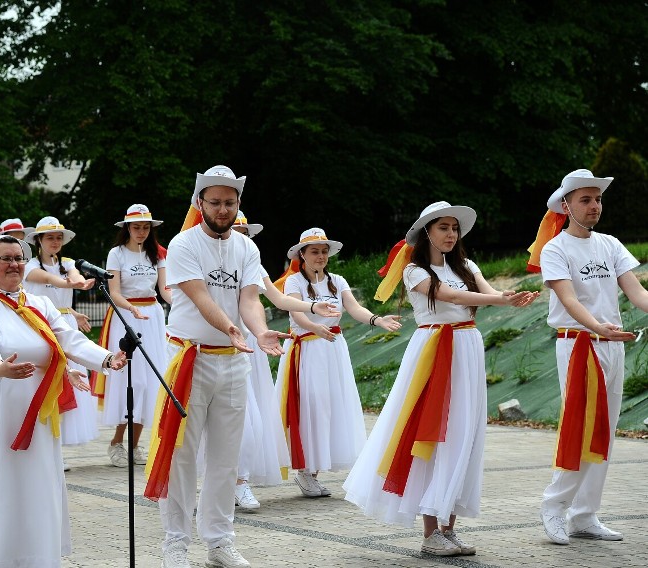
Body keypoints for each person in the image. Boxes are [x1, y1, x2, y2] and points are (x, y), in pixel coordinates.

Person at [343, 201, 538, 556]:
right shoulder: (415, 271)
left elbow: (488, 291)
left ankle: (448, 529)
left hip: (467, 346)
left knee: (464, 435)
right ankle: (430, 532)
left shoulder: (466, 266)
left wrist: (512, 297)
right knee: (433, 432)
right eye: (443, 227)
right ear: (427, 232)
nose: (450, 234)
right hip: (434, 350)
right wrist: (501, 302)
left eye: (454, 228)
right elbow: (449, 296)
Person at [0, 235, 125, 567]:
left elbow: (68, 338)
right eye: (5, 258)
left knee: (35, 482)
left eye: (19, 257)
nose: (14, 264)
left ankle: (35, 554)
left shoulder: (38, 303)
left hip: (37, 406)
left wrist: (107, 358)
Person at [145, 165, 287, 568]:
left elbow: (249, 301)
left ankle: (220, 541)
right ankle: (175, 542)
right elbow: (200, 296)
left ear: (237, 204)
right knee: (181, 454)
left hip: (233, 360)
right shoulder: (183, 244)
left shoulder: (247, 248)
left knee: (227, 457)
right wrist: (230, 328)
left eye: (230, 202)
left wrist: (258, 332)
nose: (223, 210)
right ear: (200, 203)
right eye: (215, 202)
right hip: (189, 357)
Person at [530, 169, 648, 545]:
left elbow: (638, 294)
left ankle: (584, 515)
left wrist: (606, 331)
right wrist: (598, 327)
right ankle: (554, 506)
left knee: (605, 431)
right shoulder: (555, 248)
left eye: (597, 199)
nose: (594, 205)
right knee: (581, 427)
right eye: (585, 199)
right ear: (566, 206)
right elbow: (568, 299)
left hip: (612, 344)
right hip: (579, 344)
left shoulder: (610, 244)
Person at [274, 228, 401, 499]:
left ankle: (314, 471)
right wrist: (314, 328)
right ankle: (305, 469)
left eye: (323, 251)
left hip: (333, 349)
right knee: (312, 405)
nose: (320, 256)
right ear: (302, 255)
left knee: (332, 404)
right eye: (314, 252)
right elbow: (296, 313)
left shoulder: (338, 281)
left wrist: (377, 320)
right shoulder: (293, 282)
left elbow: (354, 309)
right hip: (307, 349)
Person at [226, 211, 340, 511]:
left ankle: (241, 481)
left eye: (245, 232)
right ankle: (217, 481)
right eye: (235, 230)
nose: (240, 236)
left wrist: (312, 305)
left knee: (251, 414)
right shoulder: (203, 257)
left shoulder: (253, 263)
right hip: (214, 338)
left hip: (250, 339)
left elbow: (276, 298)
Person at [93, 204, 172, 468]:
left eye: (146, 227)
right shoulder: (116, 254)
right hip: (126, 317)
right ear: (127, 228)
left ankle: (135, 445)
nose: (141, 232)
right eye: (136, 227)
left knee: (149, 382)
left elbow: (164, 290)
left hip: (152, 317)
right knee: (129, 380)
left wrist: (183, 304)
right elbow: (114, 291)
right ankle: (116, 442)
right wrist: (131, 308)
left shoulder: (158, 253)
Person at [24, 216, 99, 462]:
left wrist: (79, 285)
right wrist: (72, 284)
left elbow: (73, 277)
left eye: (58, 238)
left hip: (64, 324)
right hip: (40, 326)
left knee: (68, 384)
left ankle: (58, 447)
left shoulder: (67, 263)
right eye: (50, 238)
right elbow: (49, 281)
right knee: (47, 381)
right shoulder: (30, 265)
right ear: (39, 241)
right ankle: (42, 442)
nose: (55, 242)